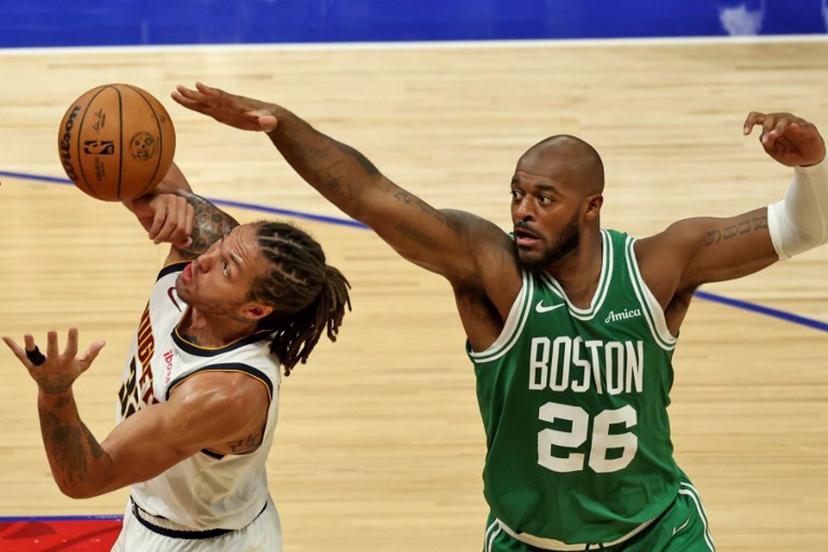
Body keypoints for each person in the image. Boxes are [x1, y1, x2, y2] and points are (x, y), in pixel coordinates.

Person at [172, 82, 828, 552]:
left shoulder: (659, 267)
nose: (522, 210)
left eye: (545, 198)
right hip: (527, 539)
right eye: (517, 193)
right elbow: (373, 197)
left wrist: (813, 165)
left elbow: (807, 223)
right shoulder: (493, 274)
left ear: (591, 207)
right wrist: (280, 123)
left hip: (656, 534)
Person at [2, 163, 351, 551]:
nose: (205, 256)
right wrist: (154, 194)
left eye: (225, 267)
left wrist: (55, 393)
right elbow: (144, 161)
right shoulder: (211, 258)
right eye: (222, 244)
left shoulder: (223, 393)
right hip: (158, 517)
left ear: (255, 310)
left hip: (205, 542)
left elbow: (85, 479)